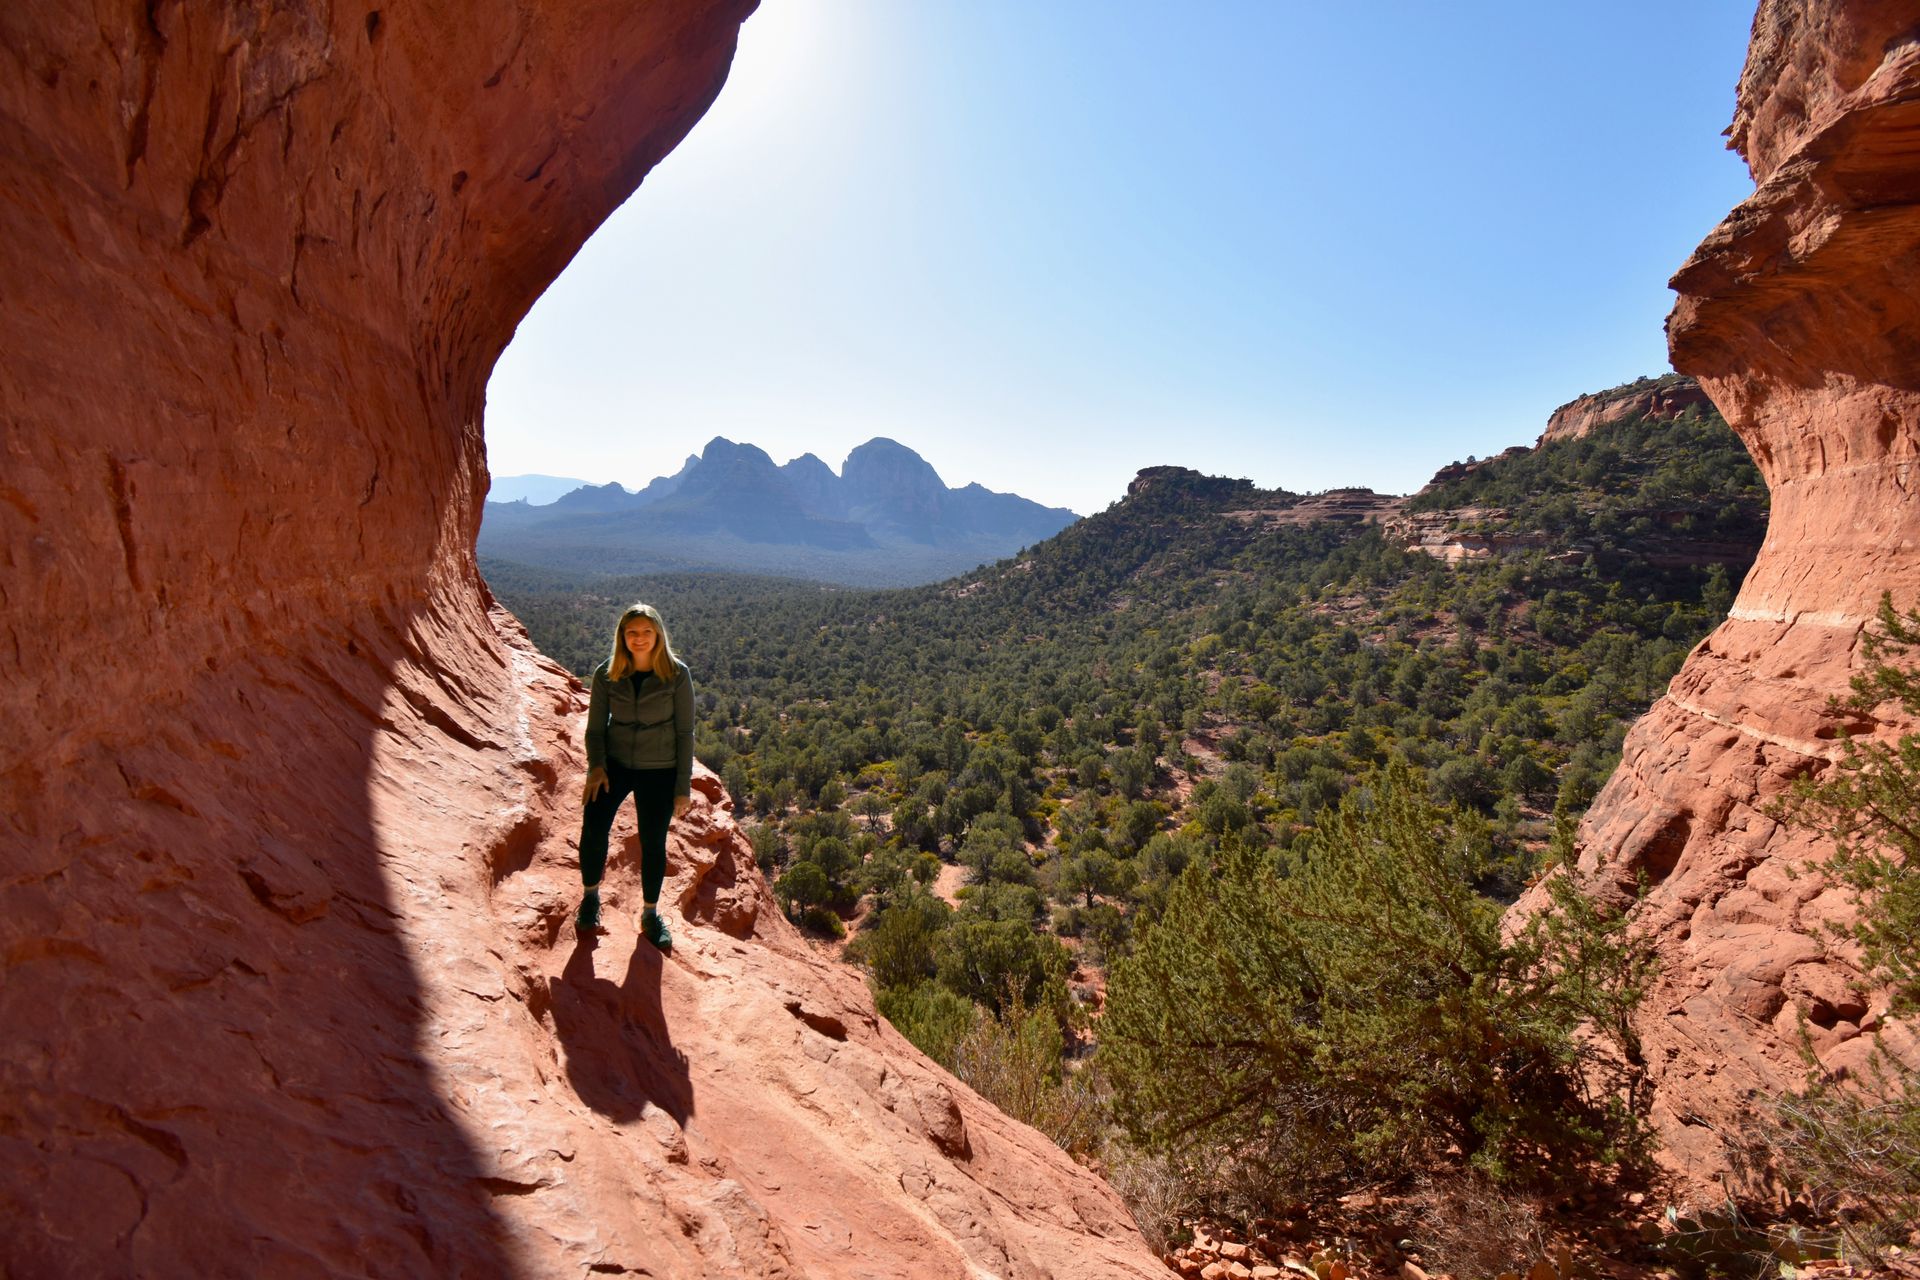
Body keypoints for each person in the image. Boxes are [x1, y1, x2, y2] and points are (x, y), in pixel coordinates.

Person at [577, 602, 693, 949]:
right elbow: (595, 729)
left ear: (658, 634)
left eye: (646, 632)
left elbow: (685, 732)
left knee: (653, 842)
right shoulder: (607, 674)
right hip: (614, 764)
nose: (639, 639)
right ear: (622, 636)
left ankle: (650, 913)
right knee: (594, 827)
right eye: (632, 632)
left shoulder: (676, 674)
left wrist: (682, 787)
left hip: (659, 768)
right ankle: (590, 897)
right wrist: (596, 766)